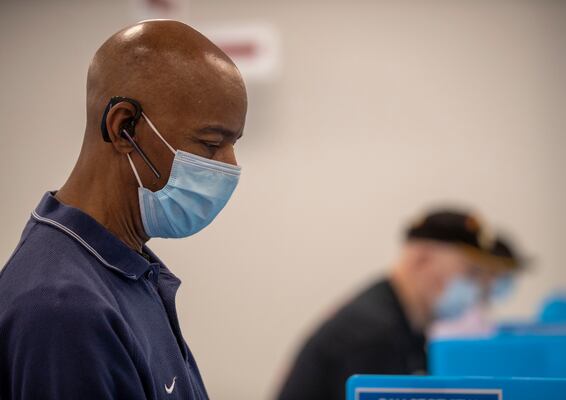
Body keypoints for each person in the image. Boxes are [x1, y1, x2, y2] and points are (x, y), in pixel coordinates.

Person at [0, 20, 247, 399]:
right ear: (122, 127)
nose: (229, 167)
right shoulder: (65, 309)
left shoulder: (125, 270)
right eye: (212, 144)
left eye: (234, 144)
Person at [276, 210, 522, 400]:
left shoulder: (400, 320)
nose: (478, 289)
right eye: (470, 273)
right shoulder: (373, 333)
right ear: (422, 258)